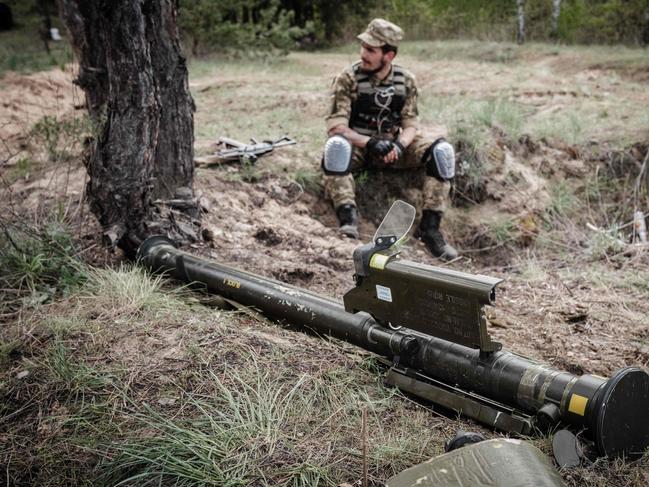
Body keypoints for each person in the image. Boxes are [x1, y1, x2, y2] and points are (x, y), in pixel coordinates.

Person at [321, 18, 458, 261]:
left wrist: (399, 145)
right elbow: (336, 126)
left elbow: (410, 124)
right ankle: (348, 219)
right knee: (336, 148)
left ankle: (430, 229)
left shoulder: (406, 81)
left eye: (371, 50)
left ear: (389, 55)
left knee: (443, 152)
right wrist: (370, 142)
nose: (363, 54)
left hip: (396, 146)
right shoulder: (348, 78)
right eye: (363, 47)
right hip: (360, 146)